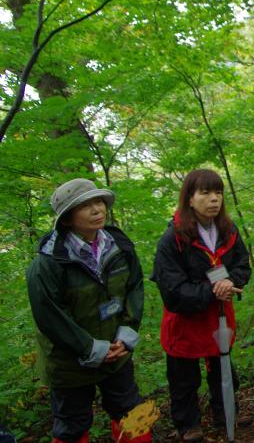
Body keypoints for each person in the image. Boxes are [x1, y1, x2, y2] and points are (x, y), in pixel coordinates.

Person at [27, 178, 151, 443]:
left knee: (133, 413)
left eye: (99, 202)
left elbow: (134, 288)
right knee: (72, 426)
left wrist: (126, 335)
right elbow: (50, 315)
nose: (97, 210)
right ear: (68, 218)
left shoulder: (119, 246)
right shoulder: (48, 262)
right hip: (69, 363)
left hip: (117, 351)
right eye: (85, 205)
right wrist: (90, 348)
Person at [152, 169, 252, 442]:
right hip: (185, 321)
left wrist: (230, 281)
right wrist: (213, 290)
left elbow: (242, 265)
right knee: (184, 378)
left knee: (223, 367)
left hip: (219, 316)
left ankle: (226, 413)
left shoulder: (228, 231)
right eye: (205, 193)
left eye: (218, 192)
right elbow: (172, 292)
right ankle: (188, 424)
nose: (213, 199)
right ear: (190, 198)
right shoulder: (172, 239)